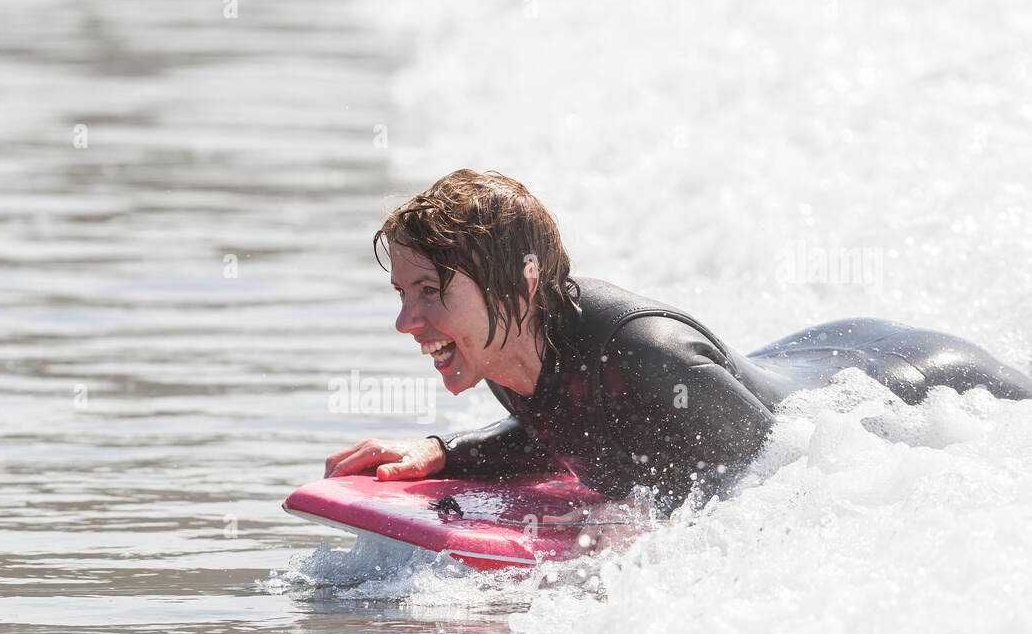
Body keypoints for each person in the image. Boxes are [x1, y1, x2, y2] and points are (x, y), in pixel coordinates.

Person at [324, 169, 1032, 508]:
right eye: (402, 294)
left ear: (521, 285)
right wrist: (446, 453)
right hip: (813, 353)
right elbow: (576, 424)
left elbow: (796, 480)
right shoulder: (514, 351)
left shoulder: (647, 359)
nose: (407, 323)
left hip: (909, 380)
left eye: (430, 293)